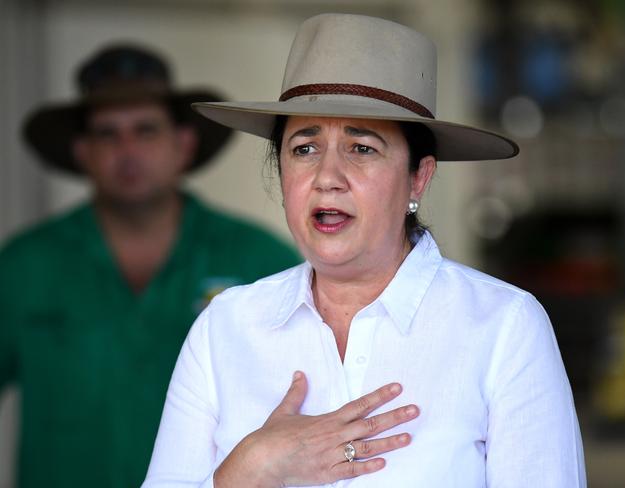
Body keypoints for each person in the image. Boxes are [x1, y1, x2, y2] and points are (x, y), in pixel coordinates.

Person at [143, 14, 586, 488]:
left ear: (419, 177)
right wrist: (250, 466)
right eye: (304, 149)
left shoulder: (503, 327)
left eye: (362, 148)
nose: (327, 177)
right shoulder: (224, 329)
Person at [0, 44, 300, 488]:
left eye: (145, 130)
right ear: (82, 152)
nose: (127, 150)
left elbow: (314, 399)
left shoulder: (259, 259)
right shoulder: (25, 266)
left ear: (183, 144)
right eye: (107, 134)